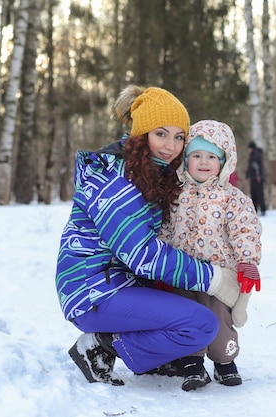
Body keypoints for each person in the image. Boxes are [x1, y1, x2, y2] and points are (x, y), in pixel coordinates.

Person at [54, 85, 238, 389]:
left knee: (194, 310)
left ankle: (154, 352)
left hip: (122, 282)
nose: (171, 146)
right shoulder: (117, 183)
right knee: (201, 325)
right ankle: (101, 345)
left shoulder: (150, 173)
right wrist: (213, 278)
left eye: (179, 137)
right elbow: (144, 255)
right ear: (142, 134)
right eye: (161, 134)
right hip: (93, 291)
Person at [159, 119, 262, 390]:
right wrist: (158, 266)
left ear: (224, 161)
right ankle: (191, 364)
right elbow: (165, 230)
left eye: (211, 156)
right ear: (186, 159)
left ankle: (224, 361)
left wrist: (247, 262)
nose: (203, 162)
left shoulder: (232, 198)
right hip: (180, 273)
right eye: (196, 155)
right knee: (185, 318)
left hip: (217, 276)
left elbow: (246, 230)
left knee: (219, 321)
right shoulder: (175, 194)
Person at [246, 141, 266, 215]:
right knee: (254, 194)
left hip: (257, 178)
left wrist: (257, 176)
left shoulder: (256, 155)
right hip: (253, 177)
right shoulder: (253, 155)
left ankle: (262, 209)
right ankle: (255, 209)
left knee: (258, 194)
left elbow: (256, 167)